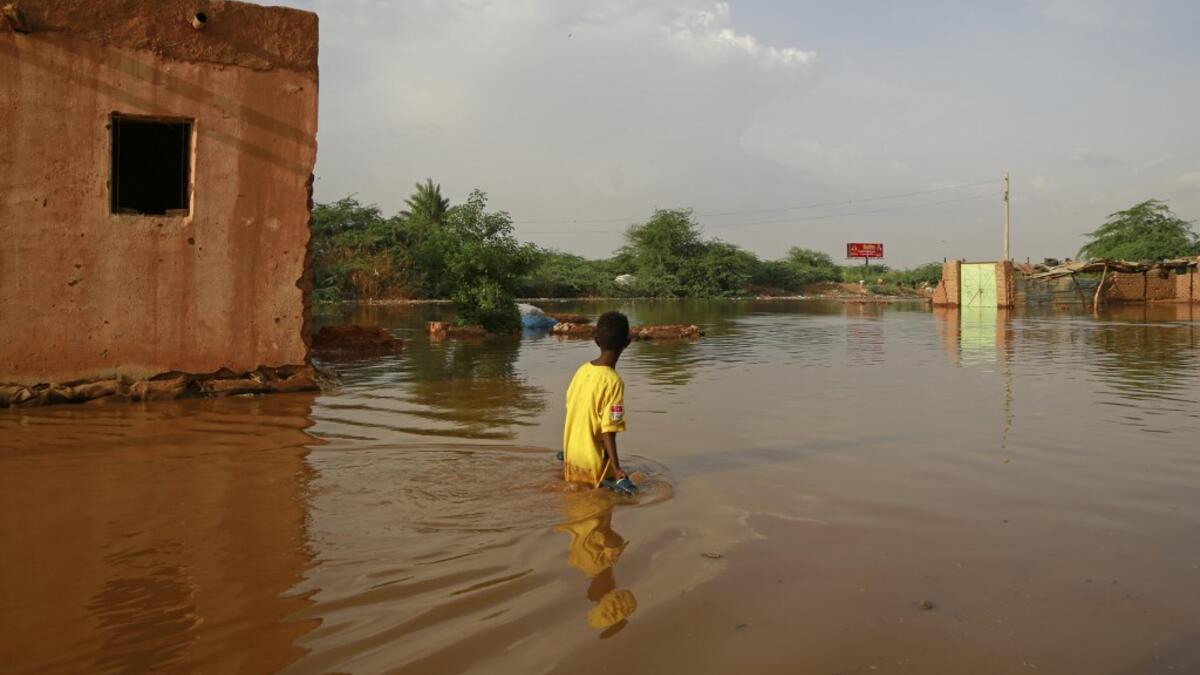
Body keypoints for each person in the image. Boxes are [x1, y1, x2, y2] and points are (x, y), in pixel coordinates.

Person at [561, 311, 637, 495]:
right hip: (593, 462)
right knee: (599, 515)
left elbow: (573, 409)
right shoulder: (613, 382)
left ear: (596, 341)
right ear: (627, 343)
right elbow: (608, 431)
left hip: (571, 457)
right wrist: (618, 469)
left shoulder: (582, 371)